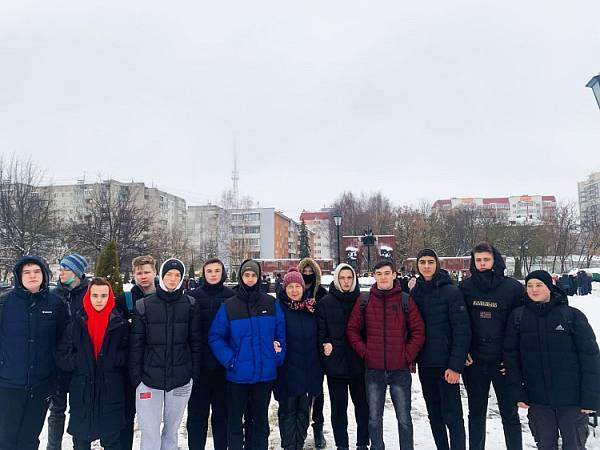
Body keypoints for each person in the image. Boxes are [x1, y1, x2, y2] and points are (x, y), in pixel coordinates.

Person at [504, 270, 600, 450]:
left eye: (539, 285)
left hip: (572, 400)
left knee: (574, 445)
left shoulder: (572, 316)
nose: (534, 289)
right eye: (530, 286)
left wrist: (591, 398)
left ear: (550, 287)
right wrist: (518, 392)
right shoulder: (518, 317)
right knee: (545, 445)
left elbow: (591, 359)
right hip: (538, 400)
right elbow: (511, 359)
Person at [347, 259, 426, 450]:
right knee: (374, 418)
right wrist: (365, 352)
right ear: (374, 276)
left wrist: (407, 355)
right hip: (374, 369)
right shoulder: (365, 300)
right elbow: (352, 330)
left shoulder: (405, 300)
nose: (383, 277)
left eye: (386, 273)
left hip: (399, 369)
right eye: (379, 274)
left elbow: (418, 330)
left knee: (404, 418)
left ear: (394, 275)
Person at [209, 259, 286, 450]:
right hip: (238, 376)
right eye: (246, 275)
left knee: (260, 422)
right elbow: (216, 337)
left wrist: (276, 357)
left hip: (264, 375)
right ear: (241, 277)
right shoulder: (229, 306)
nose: (250, 279)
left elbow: (281, 334)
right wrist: (230, 360)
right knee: (235, 422)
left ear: (258, 277)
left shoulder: (271, 303)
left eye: (253, 275)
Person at [129, 258, 202, 450]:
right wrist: (137, 379)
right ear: (161, 276)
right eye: (169, 274)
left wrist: (192, 374)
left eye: (177, 275)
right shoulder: (143, 305)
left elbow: (195, 342)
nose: (173, 278)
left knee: (171, 432)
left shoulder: (190, 304)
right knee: (150, 433)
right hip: (148, 380)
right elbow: (136, 346)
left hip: (180, 379)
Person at [459, 243, 524, 450]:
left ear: (495, 260)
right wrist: (463, 351)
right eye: (478, 260)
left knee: (510, 413)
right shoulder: (465, 288)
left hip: (503, 362)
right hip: (474, 362)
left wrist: (513, 359)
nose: (482, 264)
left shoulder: (513, 288)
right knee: (476, 413)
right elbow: (459, 323)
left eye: (486, 259)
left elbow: (521, 326)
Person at [0, 256, 69, 450]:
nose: (32, 276)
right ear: (18, 276)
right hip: (8, 385)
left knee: (29, 440)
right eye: (27, 272)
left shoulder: (55, 304)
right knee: (5, 439)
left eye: (37, 271)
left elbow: (63, 341)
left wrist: (54, 372)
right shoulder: (4, 303)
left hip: (41, 385)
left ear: (44, 275)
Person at [408, 249, 471, 450]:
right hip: (426, 363)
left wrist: (456, 366)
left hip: (446, 364)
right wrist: (411, 357)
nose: (426, 266)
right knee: (434, 414)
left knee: (453, 416)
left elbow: (462, 330)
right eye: (423, 262)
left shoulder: (451, 292)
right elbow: (411, 328)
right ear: (418, 265)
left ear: (437, 264)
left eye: (430, 262)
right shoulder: (415, 293)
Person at [57, 277, 129, 450]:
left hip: (110, 391)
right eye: (95, 295)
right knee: (81, 441)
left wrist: (114, 360)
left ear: (110, 297)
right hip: (82, 391)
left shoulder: (119, 324)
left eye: (103, 296)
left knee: (112, 441)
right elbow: (61, 355)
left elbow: (129, 353)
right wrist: (78, 362)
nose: (99, 300)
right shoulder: (76, 323)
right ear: (88, 296)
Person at [316, 263, 370, 450]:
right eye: (342, 278)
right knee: (339, 411)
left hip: (359, 365)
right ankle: (342, 445)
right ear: (336, 279)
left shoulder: (363, 301)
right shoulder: (326, 303)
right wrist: (326, 347)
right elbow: (321, 333)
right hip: (336, 367)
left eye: (349, 278)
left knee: (362, 408)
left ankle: (362, 443)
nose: (346, 281)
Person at [187, 258, 235, 450]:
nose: (213, 274)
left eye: (217, 271)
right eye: (209, 271)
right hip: (199, 367)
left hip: (223, 368)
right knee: (197, 416)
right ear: (203, 273)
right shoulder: (192, 297)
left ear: (223, 273)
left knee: (222, 416)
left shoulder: (231, 297)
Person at [275, 268, 323, 450]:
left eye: (298, 286)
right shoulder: (278, 309)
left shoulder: (311, 309)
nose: (294, 290)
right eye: (290, 287)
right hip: (287, 372)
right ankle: (289, 446)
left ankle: (299, 444)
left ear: (303, 288)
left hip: (309, 370)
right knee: (288, 413)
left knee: (303, 414)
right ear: (285, 289)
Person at [46, 253, 89, 450]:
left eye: (66, 269)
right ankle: (53, 446)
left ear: (77, 273)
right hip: (58, 361)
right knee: (56, 410)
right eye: (61, 268)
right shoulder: (54, 294)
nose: (61, 272)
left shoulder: (90, 293)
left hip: (82, 360)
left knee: (80, 409)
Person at [115, 254, 158, 450]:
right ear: (134, 275)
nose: (143, 276)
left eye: (147, 272)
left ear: (154, 272)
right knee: (127, 415)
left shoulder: (163, 297)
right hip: (129, 365)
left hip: (154, 365)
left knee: (151, 418)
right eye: (139, 273)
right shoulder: (125, 299)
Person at [298, 257, 328, 448]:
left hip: (317, 347)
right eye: (305, 272)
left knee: (317, 391)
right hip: (299, 347)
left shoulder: (322, 293)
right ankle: (301, 428)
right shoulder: (295, 291)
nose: (307, 275)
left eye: (311, 272)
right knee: (300, 392)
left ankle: (318, 427)